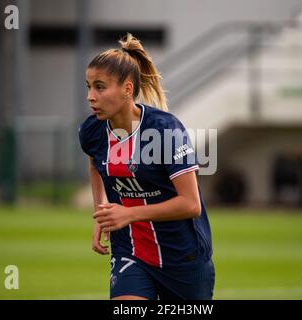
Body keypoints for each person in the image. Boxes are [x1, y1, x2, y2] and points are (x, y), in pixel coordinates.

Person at [78, 33, 214, 300]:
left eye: (100, 87)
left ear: (127, 89)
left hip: (183, 259)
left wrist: (128, 214)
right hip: (130, 253)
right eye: (89, 86)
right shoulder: (92, 131)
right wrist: (102, 214)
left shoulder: (165, 130)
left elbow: (190, 204)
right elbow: (95, 162)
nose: (90, 97)